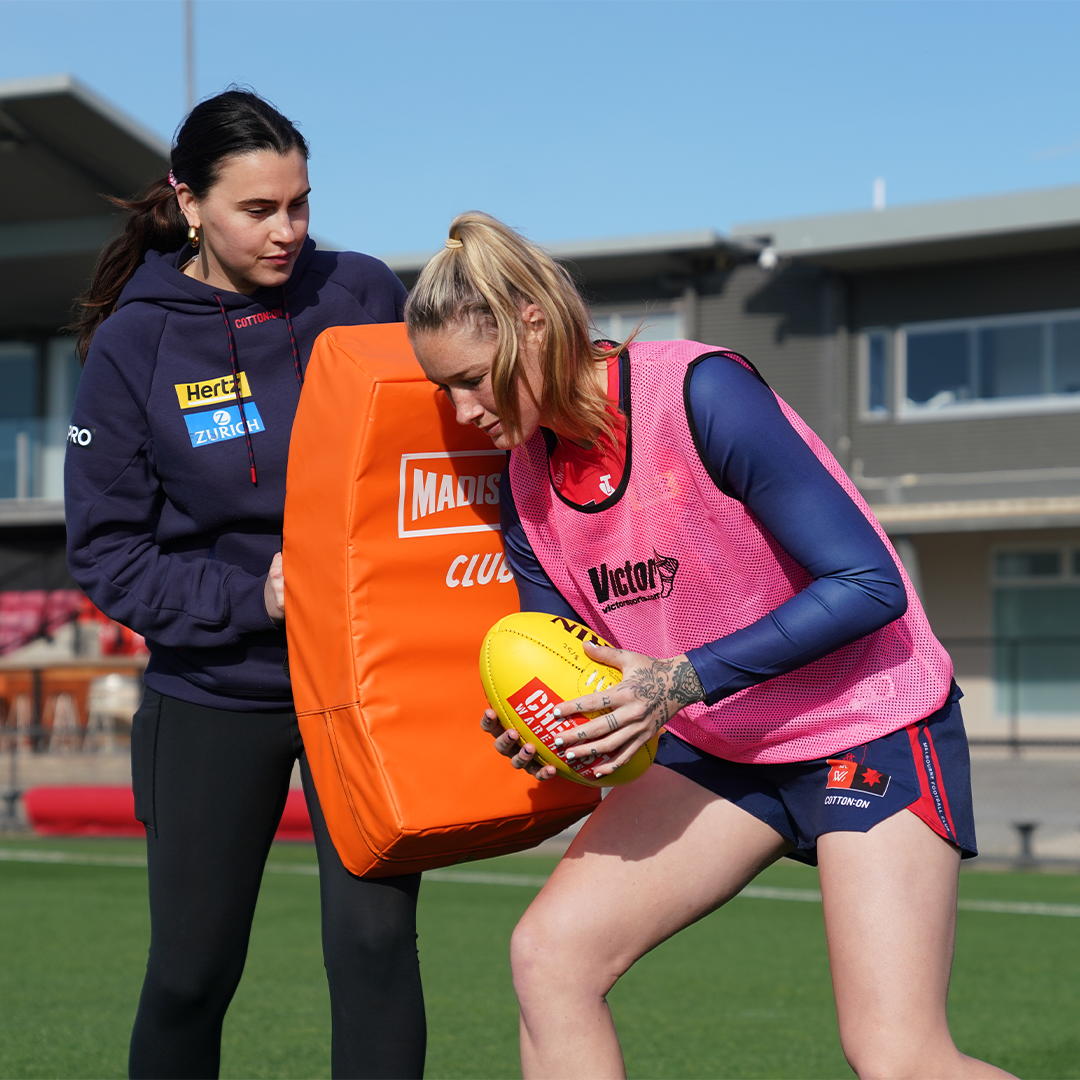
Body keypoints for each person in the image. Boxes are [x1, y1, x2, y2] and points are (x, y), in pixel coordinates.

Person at [405, 212, 1014, 1080]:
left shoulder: (699, 392)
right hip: (721, 742)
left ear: (530, 325)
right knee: (551, 958)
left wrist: (679, 681)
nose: (464, 411)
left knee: (896, 1055)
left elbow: (868, 586)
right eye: (445, 392)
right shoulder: (526, 488)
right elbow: (575, 658)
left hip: (867, 721)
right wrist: (554, 731)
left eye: (471, 379)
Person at [66, 90, 425, 1080]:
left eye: (300, 204)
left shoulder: (361, 291)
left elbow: (429, 467)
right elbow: (107, 552)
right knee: (190, 974)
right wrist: (252, 600)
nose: (287, 232)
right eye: (257, 210)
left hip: (362, 687)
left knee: (375, 951)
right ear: (189, 203)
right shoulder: (135, 345)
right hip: (215, 691)